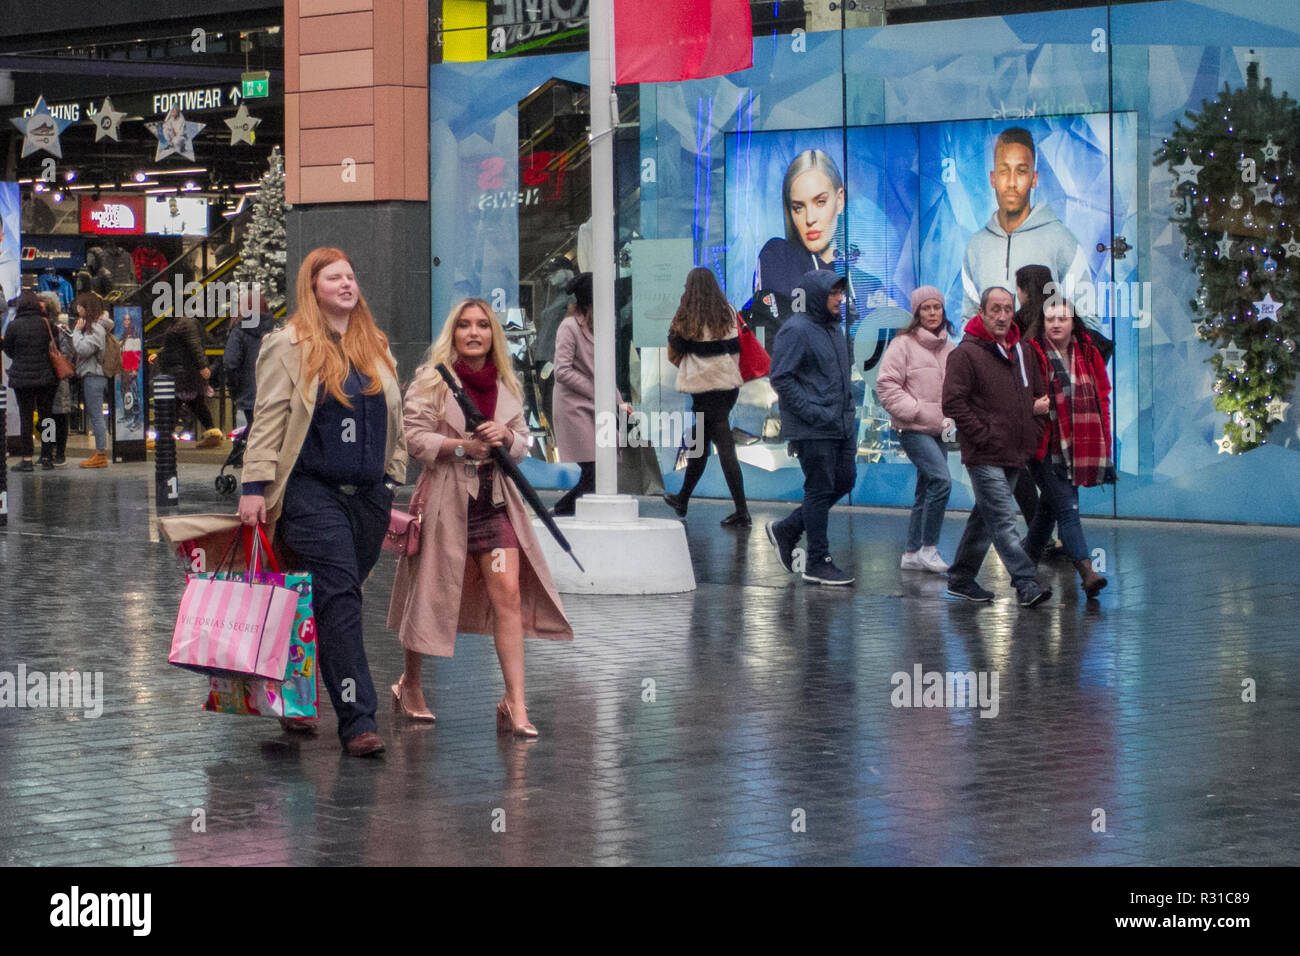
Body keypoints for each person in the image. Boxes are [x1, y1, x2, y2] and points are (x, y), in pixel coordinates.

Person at [237, 247, 408, 757]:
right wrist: (253, 488)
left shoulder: (373, 344)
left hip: (369, 498)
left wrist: (393, 478)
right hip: (311, 493)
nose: (346, 284)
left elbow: (394, 416)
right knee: (341, 599)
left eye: (351, 276)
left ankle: (290, 695)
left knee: (326, 602)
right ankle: (358, 721)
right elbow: (267, 418)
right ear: (312, 288)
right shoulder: (288, 344)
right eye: (333, 277)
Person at [387, 298, 572, 738]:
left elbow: (525, 442)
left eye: (483, 326)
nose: (474, 333)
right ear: (453, 333)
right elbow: (413, 438)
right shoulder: (432, 380)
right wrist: (460, 447)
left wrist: (506, 436)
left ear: (493, 334)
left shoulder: (506, 382)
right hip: (446, 500)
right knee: (428, 592)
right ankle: (409, 685)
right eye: (465, 326)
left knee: (507, 593)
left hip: (495, 502)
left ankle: (515, 702)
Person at [941, 286, 1052, 607]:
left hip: (1016, 450)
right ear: (982, 313)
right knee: (1003, 518)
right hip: (985, 452)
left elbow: (1037, 398)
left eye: (1008, 309)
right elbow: (953, 402)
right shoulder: (966, 354)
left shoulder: (1023, 352)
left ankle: (961, 577)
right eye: (996, 310)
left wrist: (1032, 429)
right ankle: (1025, 582)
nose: (1003, 316)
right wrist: (982, 433)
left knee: (986, 516)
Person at [765, 270, 857, 586]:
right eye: (833, 293)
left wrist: (845, 413)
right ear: (818, 295)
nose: (840, 298)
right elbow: (781, 377)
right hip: (814, 427)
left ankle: (788, 528)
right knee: (819, 488)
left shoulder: (834, 330)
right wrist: (813, 413)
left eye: (841, 293)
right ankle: (818, 561)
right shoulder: (796, 330)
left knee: (844, 480)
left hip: (840, 424)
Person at [1023, 297, 1113, 597]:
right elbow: (1019, 395)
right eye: (1051, 319)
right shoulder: (1032, 353)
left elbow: (1102, 397)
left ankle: (1022, 566)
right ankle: (1087, 571)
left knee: (1049, 509)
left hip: (1078, 445)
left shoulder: (1088, 352)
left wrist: (1105, 438)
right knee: (1067, 505)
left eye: (1063, 318)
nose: (1057, 324)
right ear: (1043, 322)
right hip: (1044, 445)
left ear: (1073, 321)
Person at [961, 127, 1094, 328]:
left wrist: (1049, 356)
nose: (1012, 183)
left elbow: (1088, 321)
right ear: (993, 178)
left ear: (1034, 179)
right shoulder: (976, 245)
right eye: (1004, 171)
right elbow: (968, 322)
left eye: (1021, 171)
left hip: (1041, 360)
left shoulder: (1061, 240)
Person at [875, 286, 956, 573]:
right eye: (926, 308)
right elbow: (886, 385)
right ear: (917, 313)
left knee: (927, 489)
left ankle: (911, 553)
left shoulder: (950, 347)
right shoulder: (903, 345)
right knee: (942, 481)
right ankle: (929, 548)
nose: (933, 313)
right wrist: (915, 411)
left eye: (937, 307)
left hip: (940, 430)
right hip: (913, 429)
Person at [663, 267, 749, 527]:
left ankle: (742, 511)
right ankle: (683, 499)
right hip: (727, 387)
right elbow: (737, 348)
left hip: (703, 390)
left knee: (722, 447)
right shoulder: (729, 312)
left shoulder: (686, 317)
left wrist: (694, 365)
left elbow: (673, 352)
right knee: (699, 444)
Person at [551, 272, 625, 516]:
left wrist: (618, 402)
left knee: (603, 466)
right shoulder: (569, 327)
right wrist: (598, 393)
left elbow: (605, 371)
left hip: (596, 405)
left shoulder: (603, 327)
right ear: (591, 302)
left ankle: (562, 512)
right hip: (573, 406)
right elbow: (561, 371)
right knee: (594, 469)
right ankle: (560, 512)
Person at [2, 291, 59, 471]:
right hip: (46, 377)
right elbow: (55, 346)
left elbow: (9, 350)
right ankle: (47, 457)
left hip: (22, 378)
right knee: (47, 417)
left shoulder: (14, 326)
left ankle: (27, 459)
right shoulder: (47, 324)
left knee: (25, 418)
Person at [153, 305, 223, 448]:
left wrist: (203, 366)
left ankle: (163, 438)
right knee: (195, 403)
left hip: (181, 372)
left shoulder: (186, 323)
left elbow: (194, 345)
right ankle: (212, 433)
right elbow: (177, 346)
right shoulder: (184, 323)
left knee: (174, 404)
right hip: (185, 372)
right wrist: (159, 354)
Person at [72, 292, 114, 468]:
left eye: (80, 305)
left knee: (96, 414)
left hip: (94, 374)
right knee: (95, 413)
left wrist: (75, 333)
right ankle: (99, 451)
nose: (77, 308)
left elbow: (83, 349)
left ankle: (101, 453)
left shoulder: (96, 327)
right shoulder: (96, 326)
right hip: (93, 373)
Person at [224, 293, 274, 431]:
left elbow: (230, 363)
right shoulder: (276, 329)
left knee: (245, 441)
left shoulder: (239, 331)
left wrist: (234, 389)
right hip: (272, 398)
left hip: (246, 399)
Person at [38, 292, 74, 467]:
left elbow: (67, 352)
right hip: (54, 376)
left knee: (55, 417)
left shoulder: (59, 327)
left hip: (56, 376)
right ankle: (53, 451)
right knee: (53, 417)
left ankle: (57, 451)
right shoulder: (51, 326)